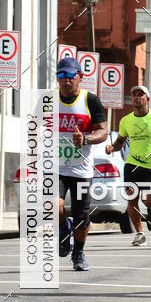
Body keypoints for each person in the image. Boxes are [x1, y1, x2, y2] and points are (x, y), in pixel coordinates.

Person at [57, 58, 109, 272]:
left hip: (81, 170)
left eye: (70, 76)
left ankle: (78, 252)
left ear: (80, 76)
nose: (66, 80)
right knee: (52, 204)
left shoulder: (91, 100)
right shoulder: (47, 100)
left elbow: (103, 131)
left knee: (81, 217)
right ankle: (62, 229)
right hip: (55, 167)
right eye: (61, 76)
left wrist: (86, 139)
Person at [106, 85, 151, 247]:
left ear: (147, 99)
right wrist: (112, 148)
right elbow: (120, 142)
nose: (137, 97)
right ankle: (139, 233)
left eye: (140, 95)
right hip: (131, 165)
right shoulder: (126, 120)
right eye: (134, 95)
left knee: (149, 200)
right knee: (132, 200)